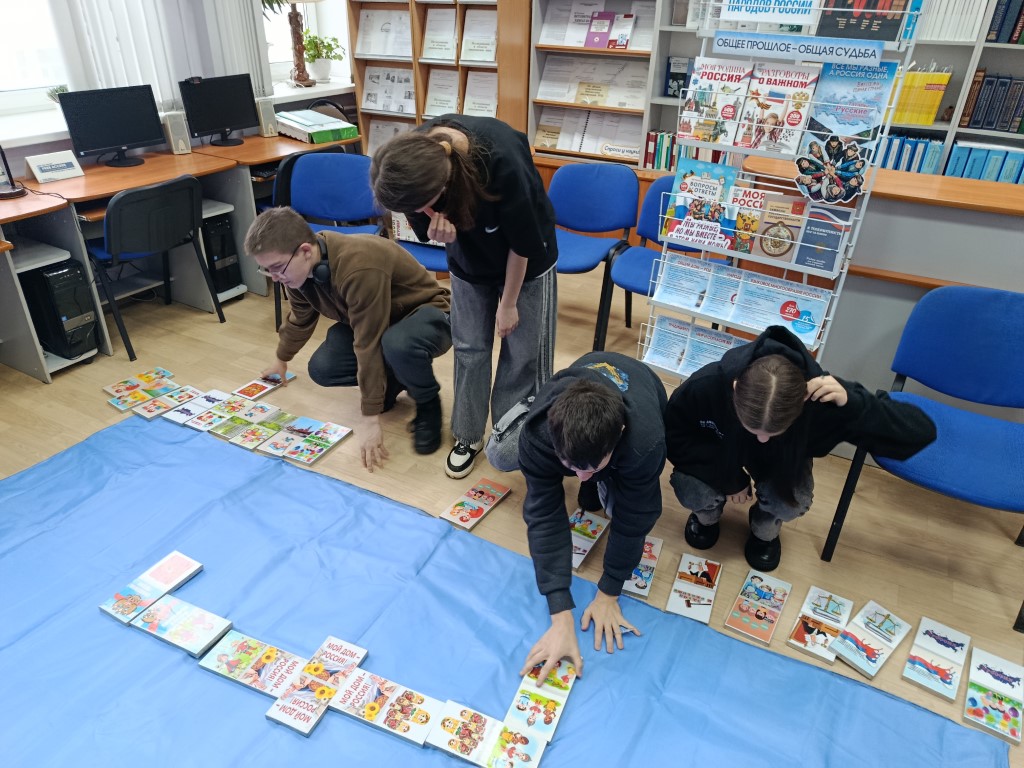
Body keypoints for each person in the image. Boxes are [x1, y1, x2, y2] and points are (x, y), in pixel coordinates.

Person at [370, 114, 558, 480]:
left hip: (526, 261)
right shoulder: (406, 165)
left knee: (523, 353)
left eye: (424, 205)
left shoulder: (502, 160)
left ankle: (508, 433)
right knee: (470, 349)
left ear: (443, 183)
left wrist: (508, 304)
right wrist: (439, 233)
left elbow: (522, 245)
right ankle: (468, 436)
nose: (420, 213)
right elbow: (425, 223)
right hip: (468, 261)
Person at [664, 325, 936, 572]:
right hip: (718, 453)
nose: (762, 439)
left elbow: (920, 433)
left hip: (781, 462)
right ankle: (707, 518)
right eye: (753, 429)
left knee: (791, 500)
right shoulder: (707, 385)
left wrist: (855, 402)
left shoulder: (819, 402)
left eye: (773, 432)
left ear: (803, 403)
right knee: (692, 488)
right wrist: (729, 479)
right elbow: (675, 435)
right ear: (735, 390)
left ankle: (764, 531)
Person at [489, 351, 666, 683]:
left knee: (614, 507)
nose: (580, 476)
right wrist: (561, 615)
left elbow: (635, 518)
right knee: (502, 456)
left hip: (645, 386)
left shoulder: (645, 442)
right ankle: (591, 467)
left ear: (620, 434)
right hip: (585, 379)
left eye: (592, 467)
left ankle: (601, 473)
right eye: (571, 467)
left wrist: (609, 591)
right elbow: (544, 515)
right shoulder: (538, 433)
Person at [243, 207, 452, 471]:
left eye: (277, 268)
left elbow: (368, 342)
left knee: (396, 344)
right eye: (267, 270)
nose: (275, 278)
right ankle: (396, 378)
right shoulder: (295, 273)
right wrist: (281, 358)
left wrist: (370, 418)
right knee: (323, 367)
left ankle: (428, 402)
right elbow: (300, 319)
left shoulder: (359, 265)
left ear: (305, 251)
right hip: (381, 323)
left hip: (430, 315)